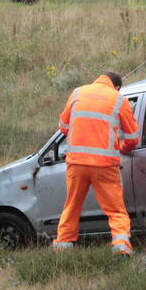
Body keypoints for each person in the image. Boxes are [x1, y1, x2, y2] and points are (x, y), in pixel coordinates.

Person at [53, 71, 139, 256]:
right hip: (104, 165)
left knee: (72, 206)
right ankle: (121, 248)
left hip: (76, 163)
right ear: (117, 87)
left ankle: (62, 247)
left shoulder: (77, 93)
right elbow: (133, 138)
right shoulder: (118, 99)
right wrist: (122, 146)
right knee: (116, 211)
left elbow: (63, 127)